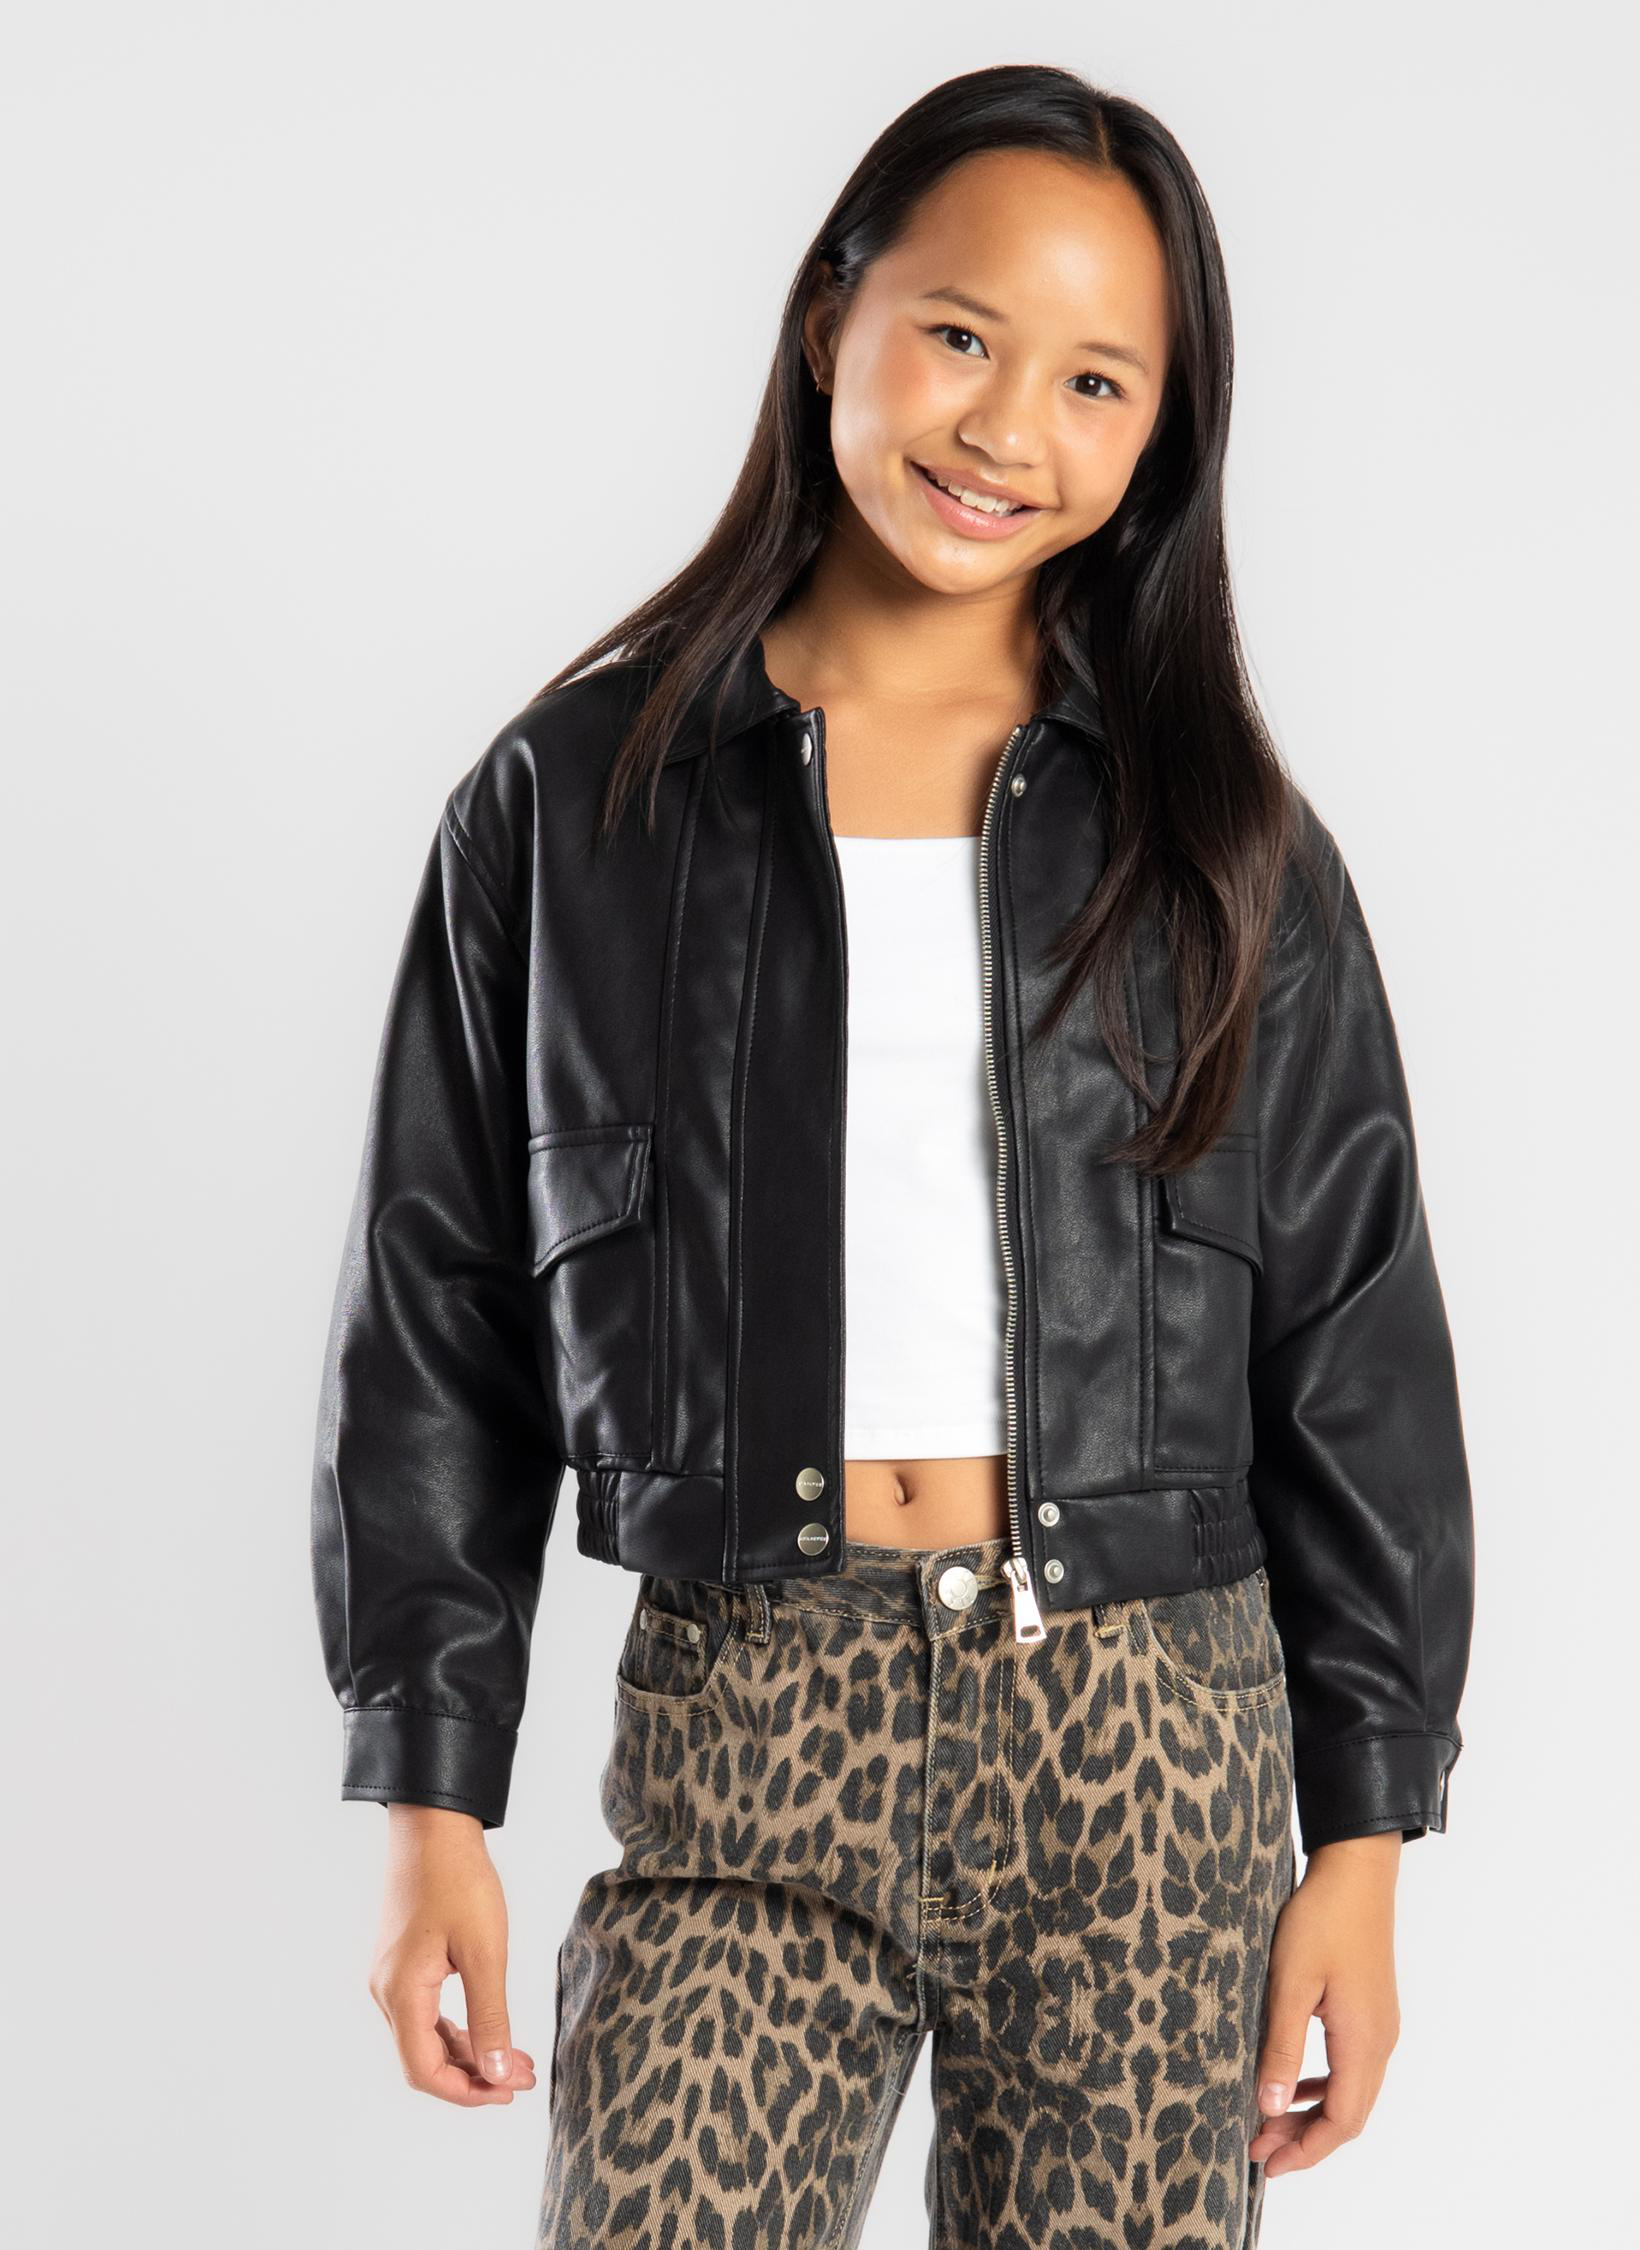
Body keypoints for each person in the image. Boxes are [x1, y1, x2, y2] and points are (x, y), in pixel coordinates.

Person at [310, 62, 1475, 2250]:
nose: (1007, 425)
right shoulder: (580, 802)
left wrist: (1365, 1839)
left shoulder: (1219, 838)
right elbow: (436, 1306)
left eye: (1097, 380)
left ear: (1158, 439)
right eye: (959, 333)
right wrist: (428, 1801)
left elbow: (1354, 1338)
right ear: (830, 310)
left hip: (1150, 1745)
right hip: (748, 1715)